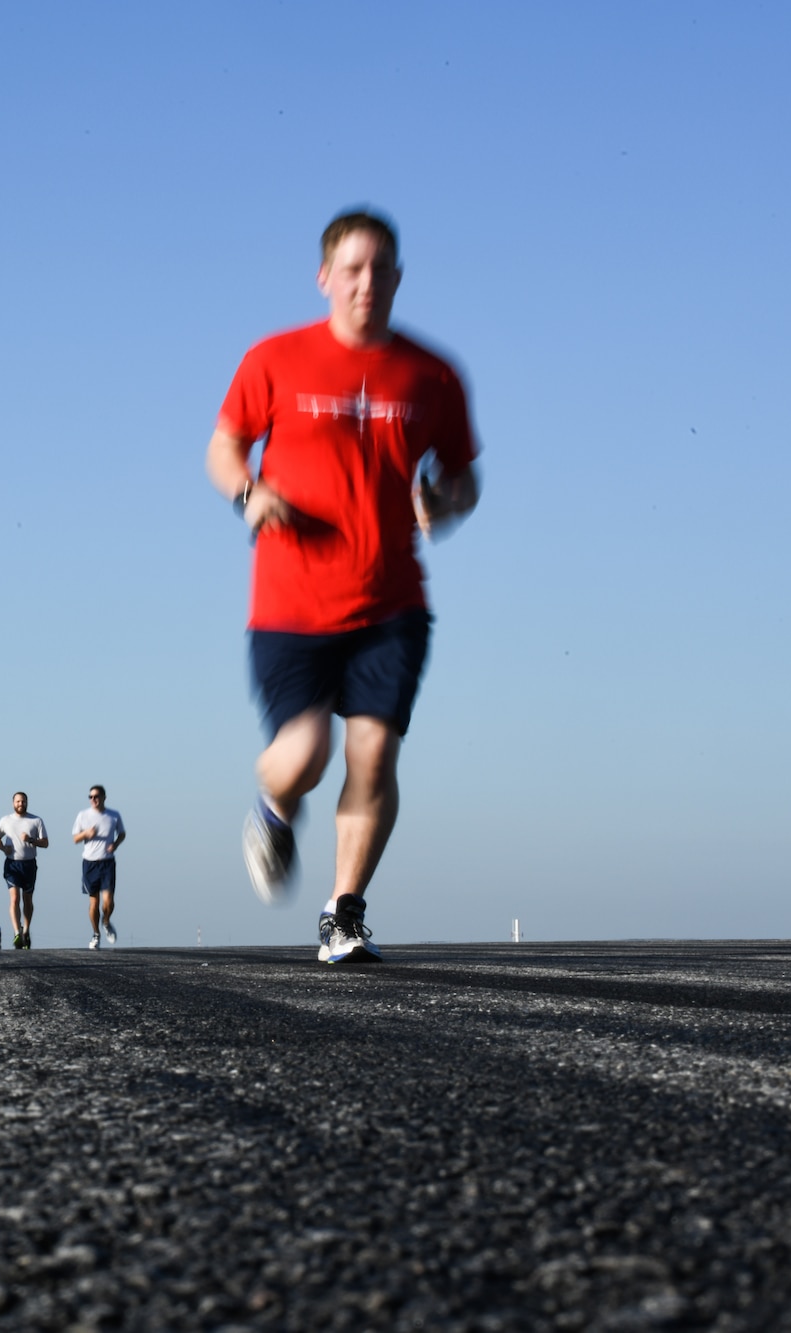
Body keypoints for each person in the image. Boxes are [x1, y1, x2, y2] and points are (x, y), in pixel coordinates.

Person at [207, 211, 480, 965]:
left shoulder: (433, 375)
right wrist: (249, 493)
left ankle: (344, 911)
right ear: (324, 277)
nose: (366, 283)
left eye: (380, 269)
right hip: (291, 602)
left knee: (373, 755)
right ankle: (272, 811)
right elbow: (224, 446)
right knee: (304, 754)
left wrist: (444, 499)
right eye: (351, 269)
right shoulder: (276, 359)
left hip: (391, 602)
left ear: (398, 277)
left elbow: (464, 478)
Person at [71, 787, 126, 949]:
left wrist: (115, 845)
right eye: (90, 796)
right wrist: (86, 834)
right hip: (90, 863)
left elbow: (122, 833)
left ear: (103, 797)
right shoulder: (83, 815)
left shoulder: (113, 815)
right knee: (94, 902)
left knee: (108, 902)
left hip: (107, 862)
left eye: (96, 796)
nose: (93, 799)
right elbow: (75, 838)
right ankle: (96, 934)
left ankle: (106, 921)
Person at [0, 792, 49, 949]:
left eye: (23, 801)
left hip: (29, 865)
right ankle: (17, 932)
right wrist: (3, 847)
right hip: (12, 864)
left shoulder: (36, 820)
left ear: (27, 803)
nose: (20, 804)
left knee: (27, 900)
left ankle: (26, 931)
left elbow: (45, 843)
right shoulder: (6, 820)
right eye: (18, 801)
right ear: (13, 803)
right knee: (14, 898)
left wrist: (31, 840)